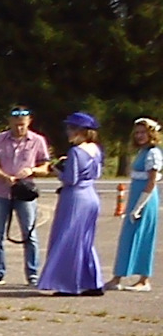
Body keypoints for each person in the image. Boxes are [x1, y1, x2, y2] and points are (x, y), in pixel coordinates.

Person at [39, 113, 105, 296]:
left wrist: (56, 170)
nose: (68, 132)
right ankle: (93, 281)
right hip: (91, 195)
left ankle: (67, 284)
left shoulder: (76, 151)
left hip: (75, 198)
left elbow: (71, 179)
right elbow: (97, 173)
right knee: (85, 240)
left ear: (82, 131)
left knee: (67, 239)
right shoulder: (96, 149)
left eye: (72, 128)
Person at [0, 106, 50, 284]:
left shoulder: (38, 140)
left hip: (25, 193)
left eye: (22, 124)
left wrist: (32, 170)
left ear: (29, 122)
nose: (19, 128)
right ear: (9, 122)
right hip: (1, 191)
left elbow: (45, 168)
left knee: (29, 234)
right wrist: (6, 177)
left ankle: (33, 274)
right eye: (15, 124)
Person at [109, 116, 160, 292]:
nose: (139, 136)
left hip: (145, 199)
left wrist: (139, 206)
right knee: (127, 237)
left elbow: (152, 182)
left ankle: (144, 280)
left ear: (151, 133)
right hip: (135, 197)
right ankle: (117, 277)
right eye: (137, 132)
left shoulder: (153, 153)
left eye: (143, 132)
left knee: (143, 237)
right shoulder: (142, 152)